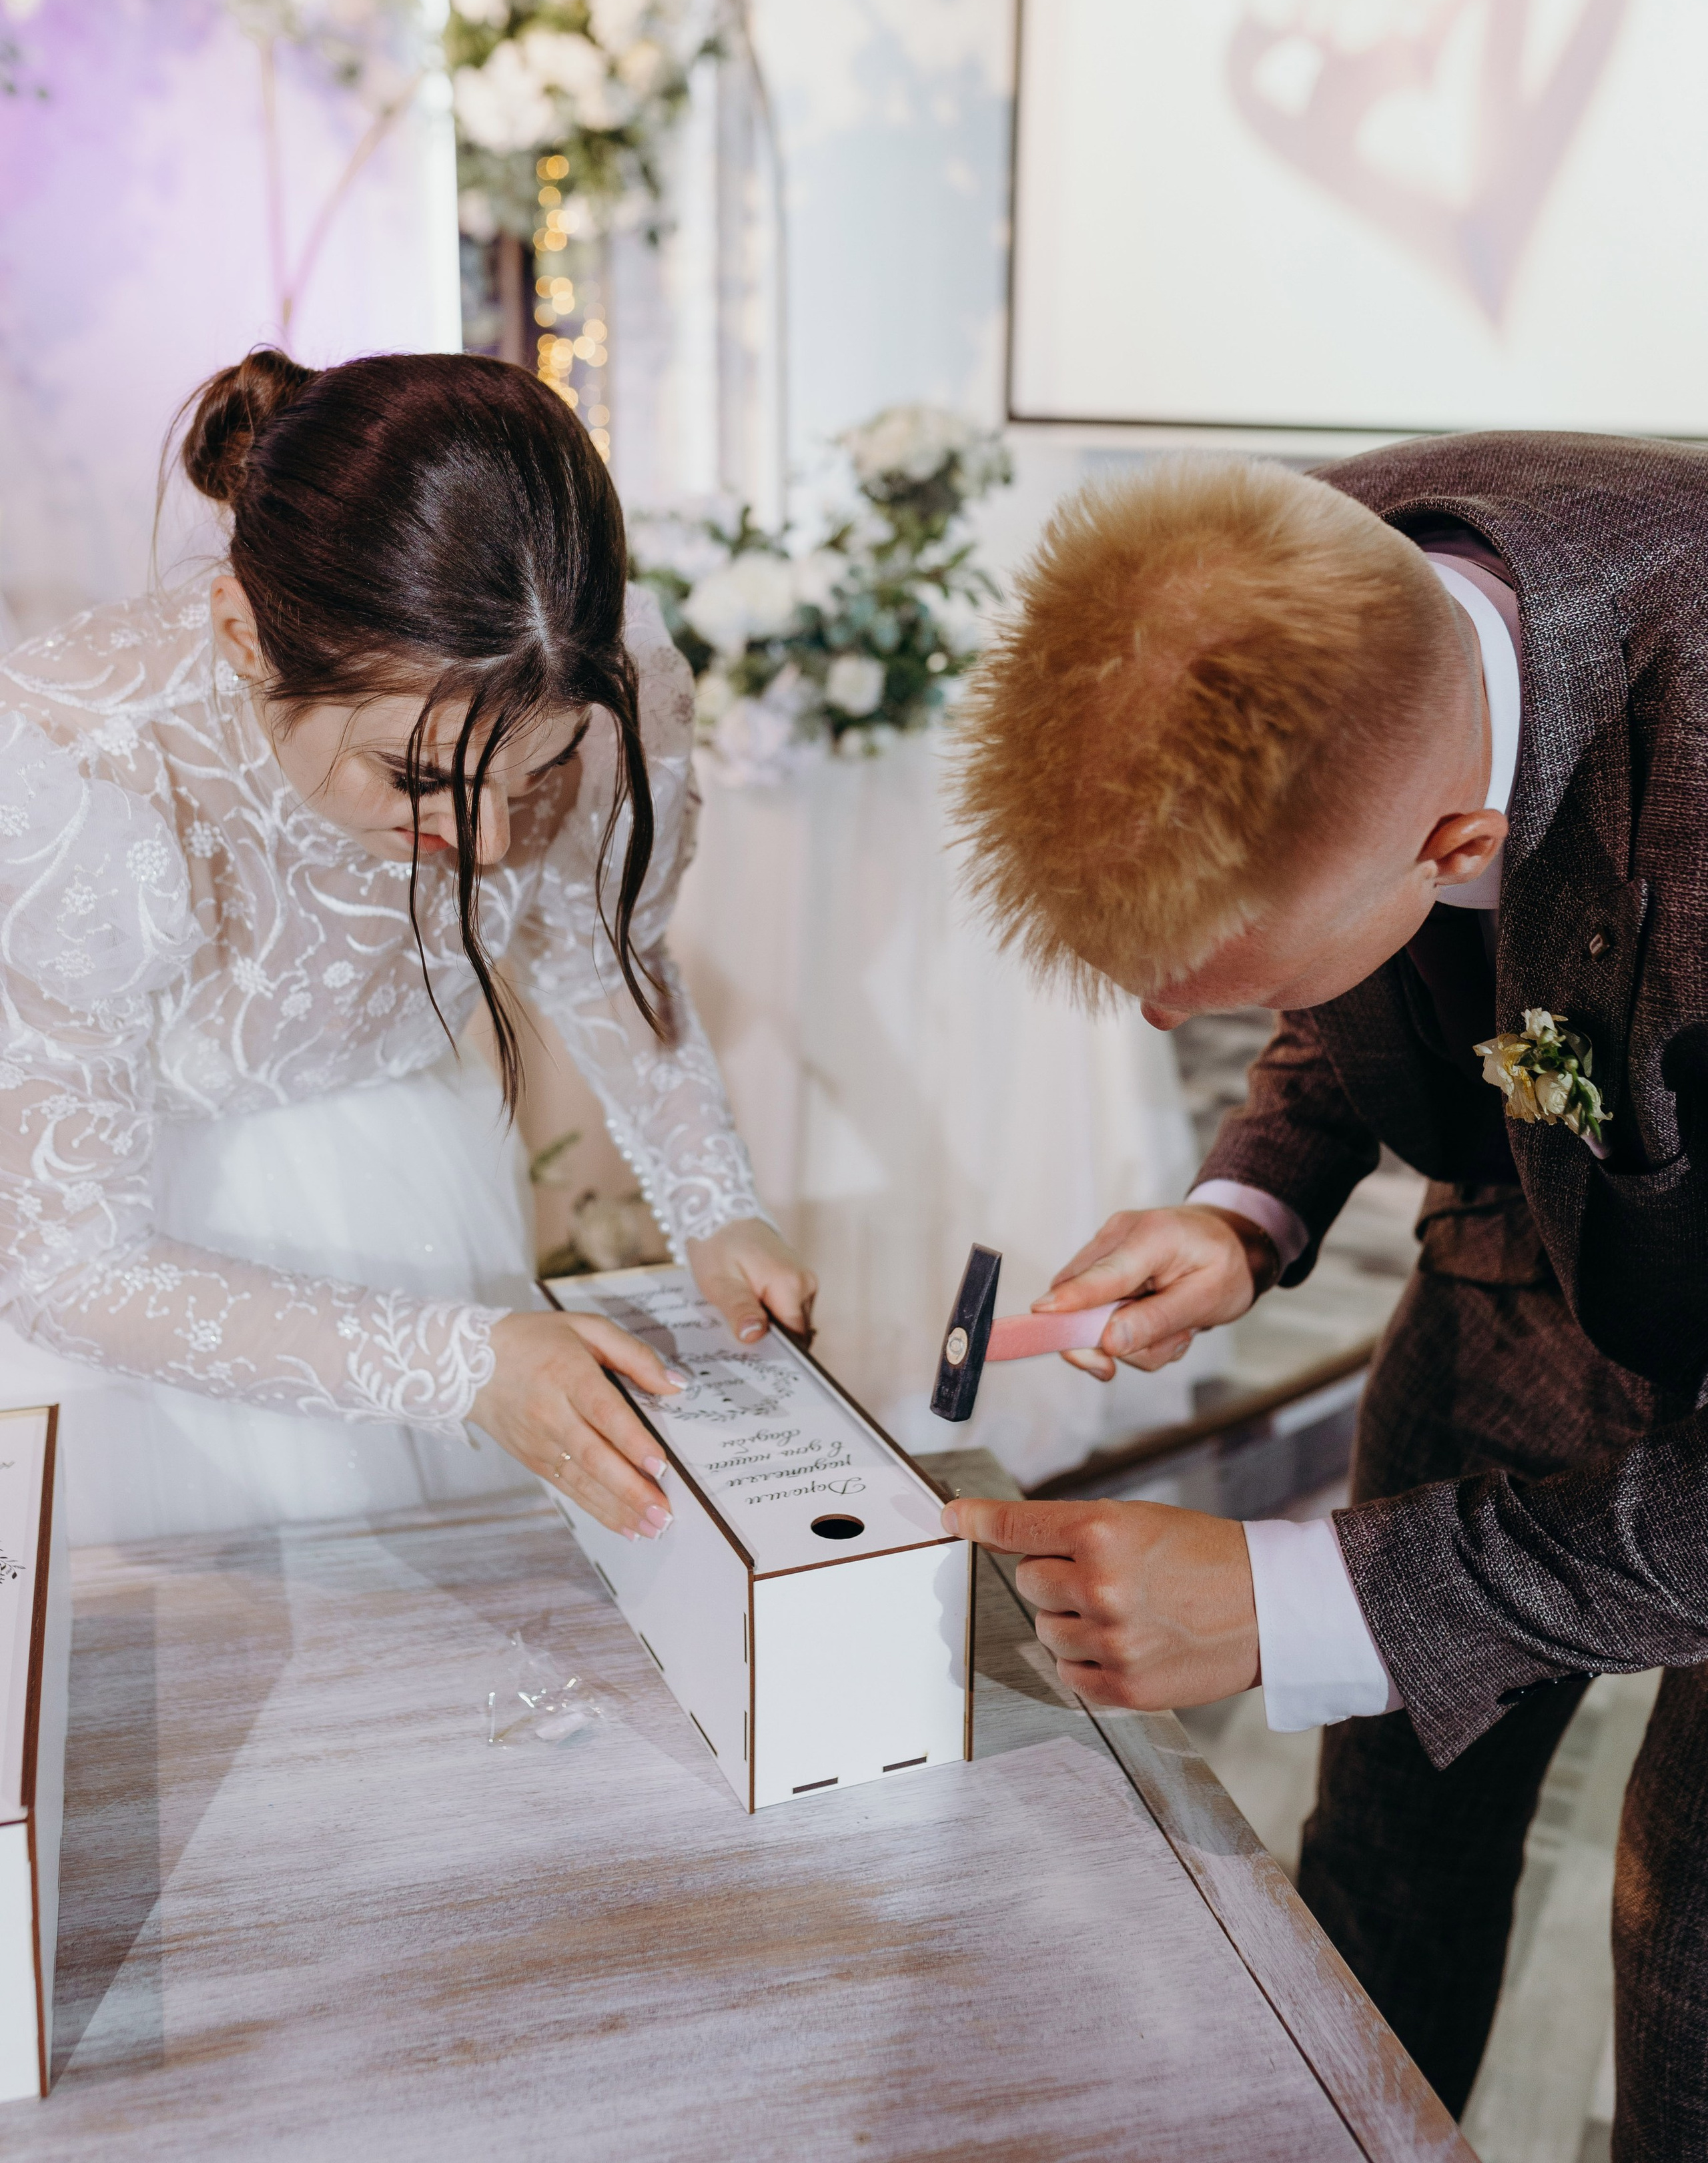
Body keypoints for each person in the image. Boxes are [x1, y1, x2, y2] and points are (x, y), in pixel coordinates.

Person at [941, 438, 1708, 2160]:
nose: (1164, 1033)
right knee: (1388, 1857)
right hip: (1515, 1267)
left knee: (1692, 1973)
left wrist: (1309, 1600)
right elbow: (1339, 986)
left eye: (1237, 982)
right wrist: (1246, 1209)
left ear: (1461, 842)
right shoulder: (1277, 591)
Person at [0, 348, 815, 1544]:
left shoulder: (580, 673)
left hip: (421, 1176)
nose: (487, 845)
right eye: (417, 775)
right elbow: (66, 1265)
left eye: (527, 778)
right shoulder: (81, 771)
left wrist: (716, 1206)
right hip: (159, 1264)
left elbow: (597, 957)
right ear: (241, 635)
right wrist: (454, 1366)